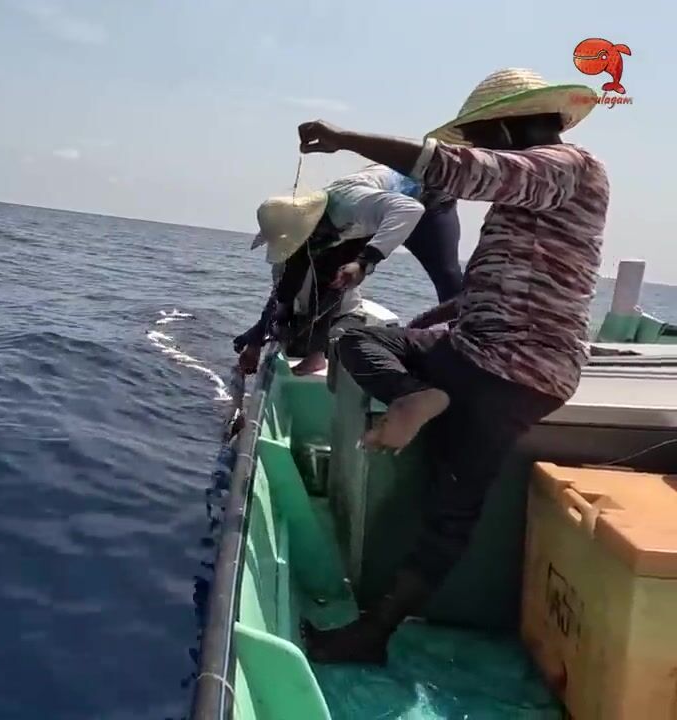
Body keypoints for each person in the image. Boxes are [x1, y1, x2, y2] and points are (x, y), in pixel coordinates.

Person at [294, 67, 608, 664]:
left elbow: (455, 169)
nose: (482, 148)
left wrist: (344, 138)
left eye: (484, 136)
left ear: (510, 125)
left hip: (502, 368)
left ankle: (415, 399)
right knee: (450, 508)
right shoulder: (535, 196)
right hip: (516, 371)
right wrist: (428, 321)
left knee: (352, 339)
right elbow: (489, 287)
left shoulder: (568, 167)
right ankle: (375, 633)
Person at [234, 165, 463, 376]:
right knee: (322, 276)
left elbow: (409, 210)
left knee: (447, 276)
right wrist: (257, 336)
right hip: (375, 213)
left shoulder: (347, 205)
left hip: (427, 201)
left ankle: (464, 350)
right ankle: (315, 354)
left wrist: (364, 262)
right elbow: (284, 287)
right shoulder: (314, 225)